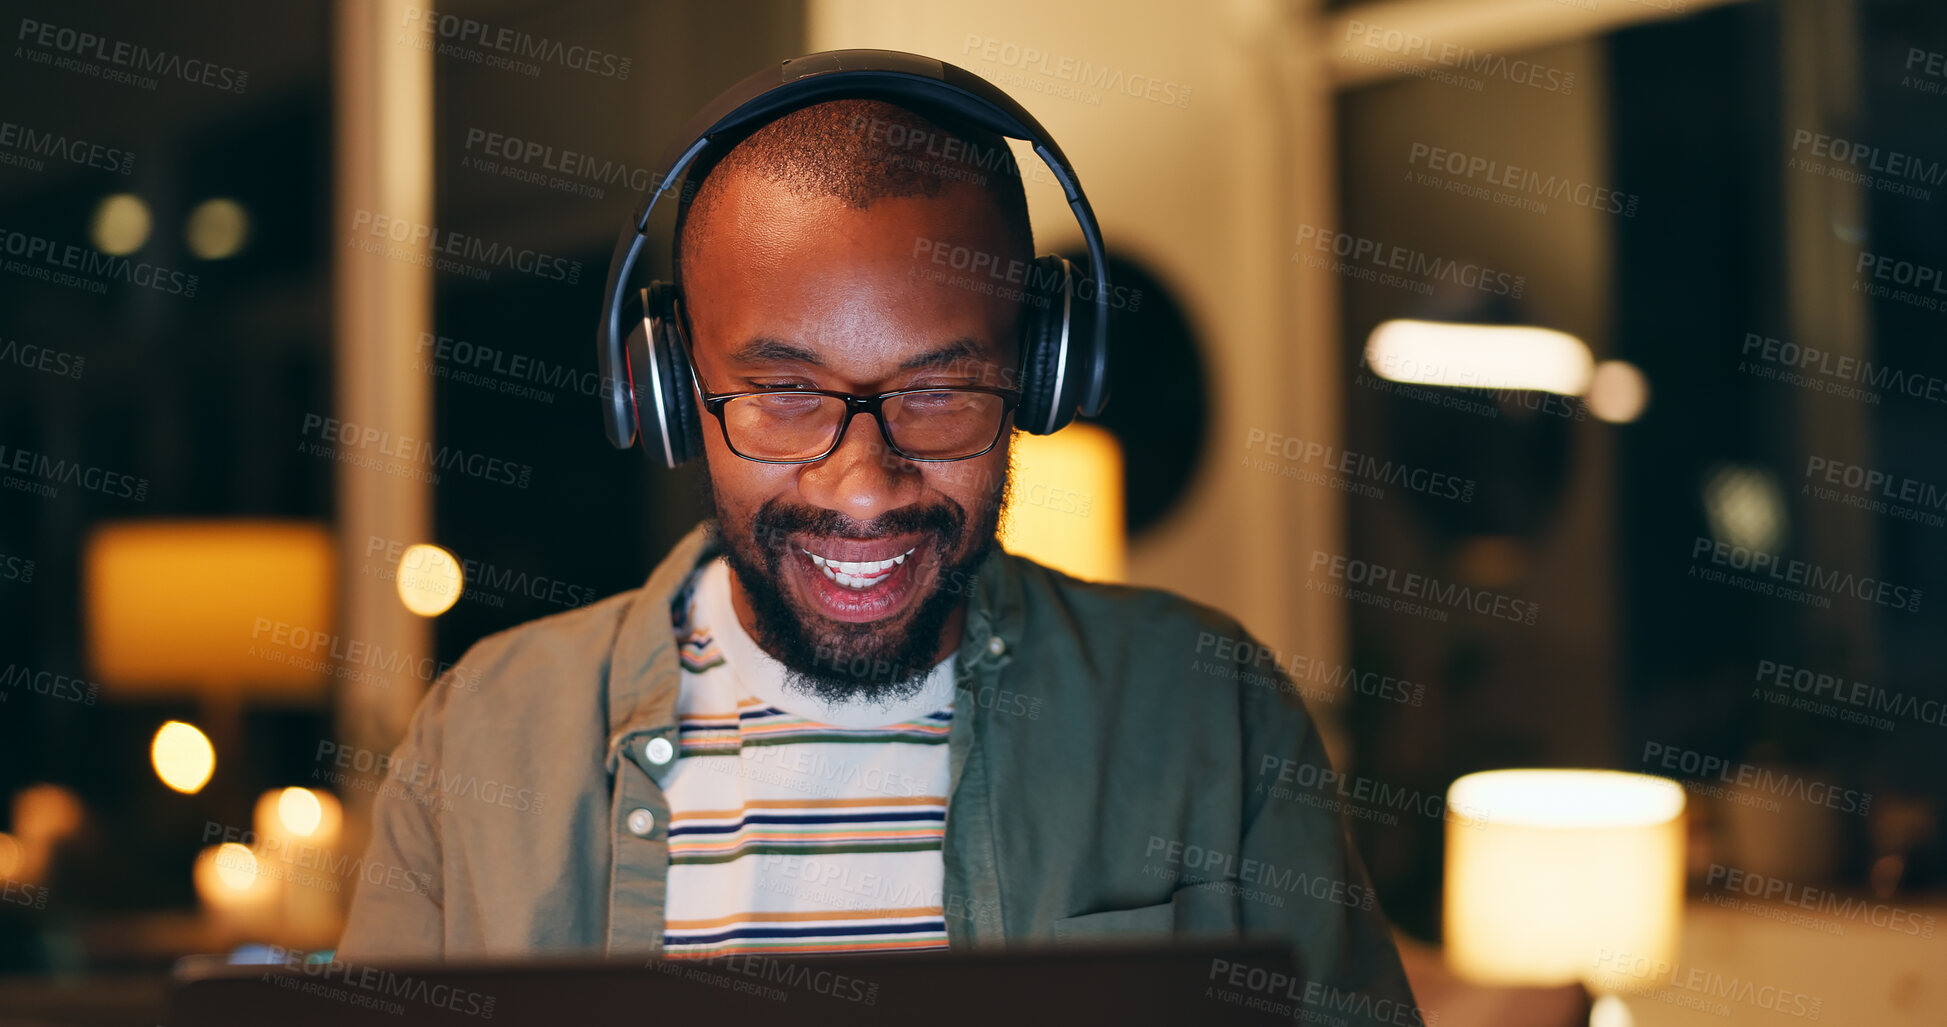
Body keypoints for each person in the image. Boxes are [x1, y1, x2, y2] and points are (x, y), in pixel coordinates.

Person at [337, 84, 1416, 1015]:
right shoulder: (479, 737)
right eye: (783, 393)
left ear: (1038, 381)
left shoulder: (1207, 710)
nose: (863, 485)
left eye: (940, 390)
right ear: (668, 393)